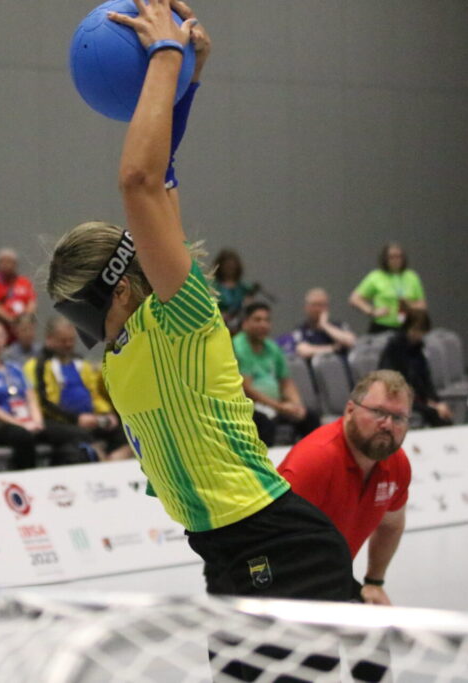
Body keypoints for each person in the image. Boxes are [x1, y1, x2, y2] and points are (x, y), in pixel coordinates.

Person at [45, 1, 353, 602]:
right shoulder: (122, 350)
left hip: (274, 539)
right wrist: (189, 81)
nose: (82, 330)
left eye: (81, 310)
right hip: (225, 547)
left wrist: (165, 56)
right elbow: (163, 178)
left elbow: (142, 182)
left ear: (123, 287)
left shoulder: (179, 314)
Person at [278, 370, 413, 605]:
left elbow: (391, 525)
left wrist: (374, 582)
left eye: (398, 418)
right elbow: (272, 545)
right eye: (378, 412)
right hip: (270, 585)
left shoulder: (397, 464)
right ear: (350, 410)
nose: (388, 425)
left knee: (375, 633)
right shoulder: (314, 461)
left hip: (326, 579)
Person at [0, 321, 93, 470]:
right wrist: (20, 424)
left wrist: (37, 421)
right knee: (23, 436)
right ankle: (27, 479)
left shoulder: (14, 368)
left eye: (1, 335)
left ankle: (57, 475)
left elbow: (31, 398)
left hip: (27, 422)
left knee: (73, 433)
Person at [25, 317, 132, 462]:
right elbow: (44, 403)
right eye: (63, 340)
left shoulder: (81, 363)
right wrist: (77, 419)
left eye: (71, 340)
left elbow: (94, 395)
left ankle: (113, 461)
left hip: (88, 418)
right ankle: (102, 462)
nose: (69, 344)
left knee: (125, 431)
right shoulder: (37, 365)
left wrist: (106, 414)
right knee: (80, 435)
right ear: (50, 339)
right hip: (56, 421)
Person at [233, 302, 320, 445]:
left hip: (275, 405)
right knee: (265, 423)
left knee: (309, 417)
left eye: (267, 320)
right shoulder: (238, 346)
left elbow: (286, 382)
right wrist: (279, 407)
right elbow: (247, 389)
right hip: (249, 406)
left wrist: (296, 405)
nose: (263, 324)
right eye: (257, 320)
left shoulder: (272, 347)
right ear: (245, 323)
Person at [378, 310, 453, 427]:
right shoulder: (394, 350)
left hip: (417, 399)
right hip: (399, 398)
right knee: (436, 415)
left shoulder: (418, 350)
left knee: (443, 414)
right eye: (418, 330)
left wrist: (436, 402)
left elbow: (426, 381)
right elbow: (394, 385)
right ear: (410, 328)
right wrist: (429, 405)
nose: (420, 335)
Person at [349, 242, 427, 333]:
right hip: (382, 327)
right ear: (385, 259)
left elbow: (422, 306)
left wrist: (409, 305)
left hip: (407, 327)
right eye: (392, 257)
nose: (396, 260)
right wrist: (372, 311)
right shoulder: (376, 276)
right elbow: (354, 299)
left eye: (399, 256)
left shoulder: (412, 277)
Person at [0, 247, 37, 341]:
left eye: (10, 262)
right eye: (4, 262)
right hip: (2, 326)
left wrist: (24, 320)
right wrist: (12, 320)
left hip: (23, 327)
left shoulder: (24, 282)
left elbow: (32, 302)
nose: (7, 265)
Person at [289, 287, 356, 360]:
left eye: (321, 305)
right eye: (314, 305)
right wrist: (334, 348)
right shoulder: (301, 329)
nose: (317, 309)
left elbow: (351, 342)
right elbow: (304, 351)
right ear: (306, 308)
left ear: (327, 307)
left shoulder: (339, 325)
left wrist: (325, 325)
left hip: (340, 368)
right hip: (314, 369)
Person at [212, 248, 256, 334]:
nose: (230, 269)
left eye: (232, 266)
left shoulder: (244, 288)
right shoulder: (214, 287)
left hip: (240, 327)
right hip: (220, 326)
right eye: (227, 266)